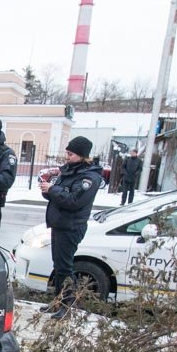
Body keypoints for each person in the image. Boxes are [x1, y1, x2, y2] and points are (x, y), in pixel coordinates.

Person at [39, 135, 102, 319]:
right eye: (67, 152)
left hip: (71, 227)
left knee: (65, 267)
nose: (67, 156)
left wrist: (52, 190)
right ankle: (58, 301)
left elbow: (74, 201)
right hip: (59, 224)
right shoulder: (67, 171)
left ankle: (68, 305)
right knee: (58, 266)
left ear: (82, 156)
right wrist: (47, 189)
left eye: (71, 153)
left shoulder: (89, 178)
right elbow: (57, 194)